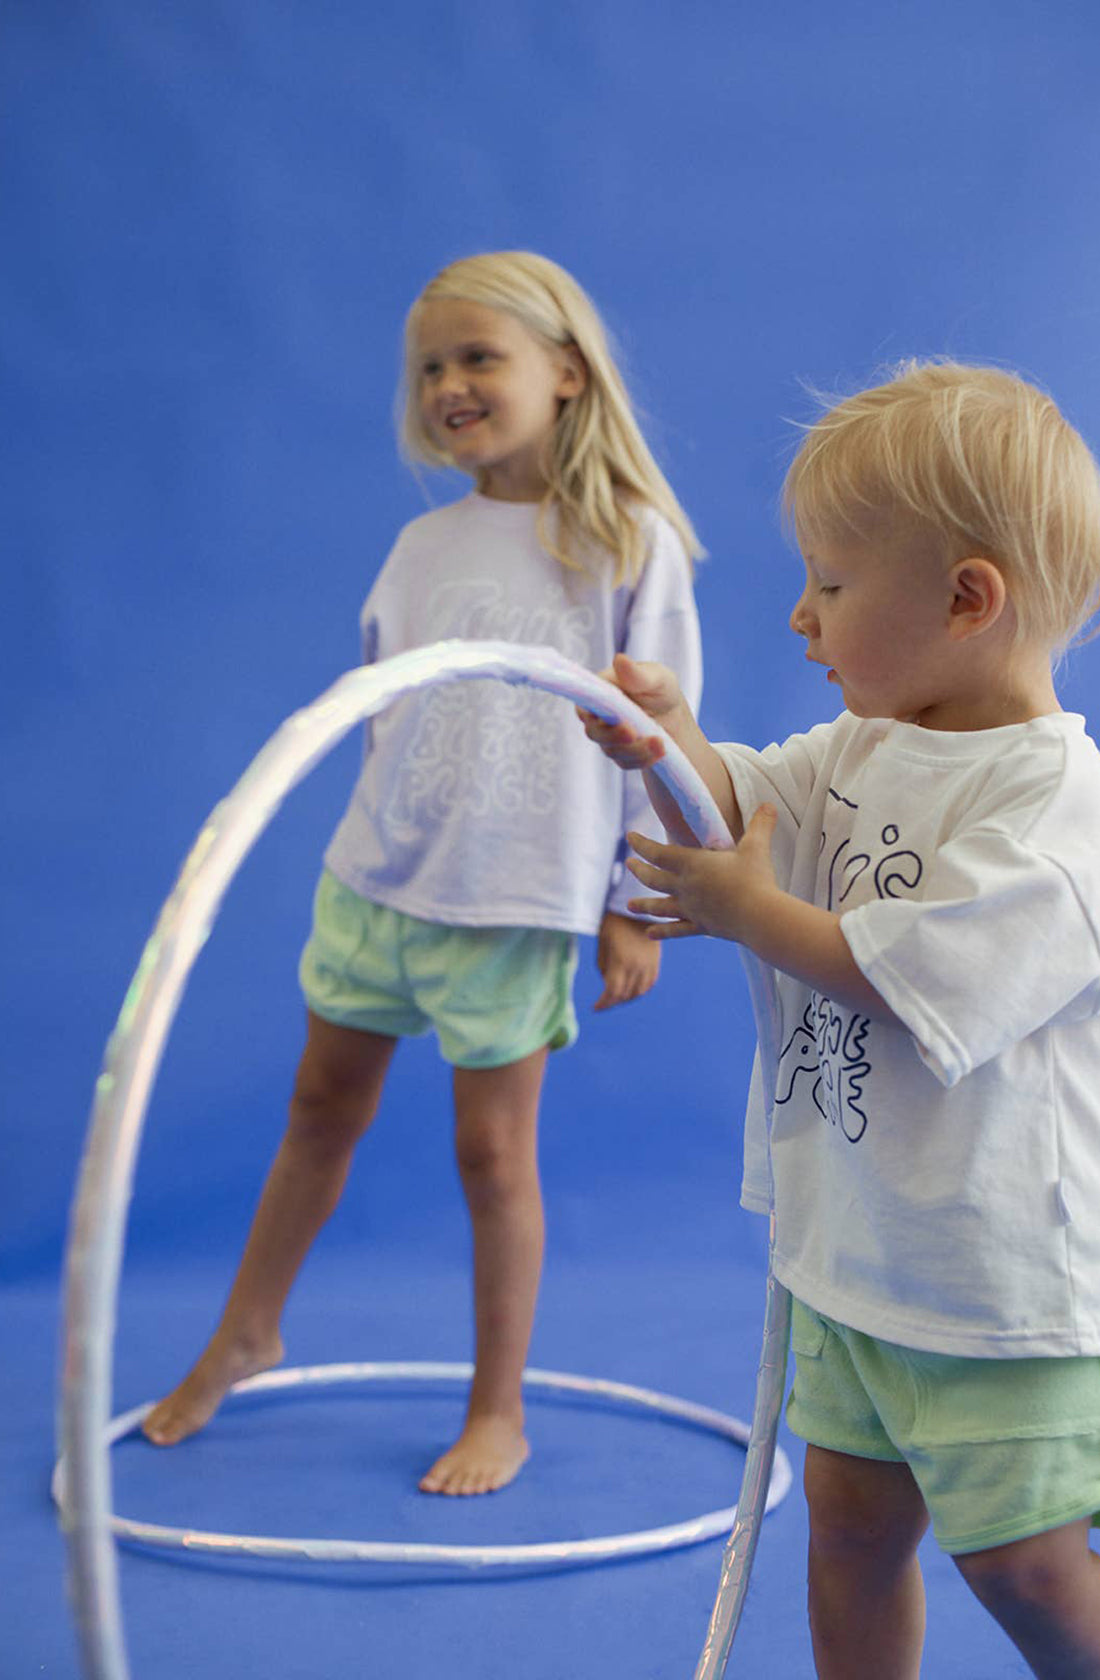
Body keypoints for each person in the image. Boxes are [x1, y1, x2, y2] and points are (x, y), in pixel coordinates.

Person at [142, 251, 702, 1497]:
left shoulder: (624, 545)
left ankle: (496, 1405)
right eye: (431, 367)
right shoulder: (421, 544)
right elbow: (377, 704)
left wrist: (632, 904)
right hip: (375, 881)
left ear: (564, 372)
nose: (450, 383)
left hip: (509, 906)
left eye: (477, 357)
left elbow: (663, 732)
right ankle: (247, 1329)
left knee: (492, 1157)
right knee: (317, 1110)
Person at [581, 362, 1100, 1677]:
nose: (802, 616)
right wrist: (670, 741)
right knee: (849, 1526)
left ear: (967, 600)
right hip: (859, 1252)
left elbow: (913, 976)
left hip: (990, 1286)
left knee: (1025, 1565)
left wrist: (754, 914)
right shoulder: (863, 745)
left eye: (831, 582)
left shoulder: (1054, 815)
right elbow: (737, 805)